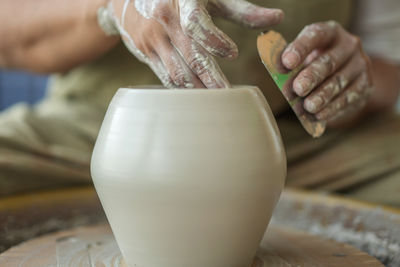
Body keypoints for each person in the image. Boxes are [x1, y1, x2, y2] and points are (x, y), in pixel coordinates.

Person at [0, 0, 399, 206]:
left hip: (284, 140)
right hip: (100, 133)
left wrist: (346, 82)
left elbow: (387, 68)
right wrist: (113, 8)